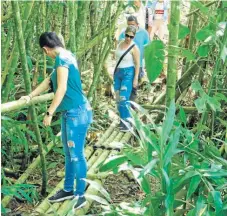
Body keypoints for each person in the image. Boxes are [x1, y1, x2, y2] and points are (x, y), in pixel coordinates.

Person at [20, 32, 92, 210]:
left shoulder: (62, 59)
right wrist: (30, 96)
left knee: (77, 156)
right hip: (71, 113)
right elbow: (48, 81)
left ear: (46, 49)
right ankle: (68, 189)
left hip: (77, 113)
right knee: (69, 155)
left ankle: (80, 194)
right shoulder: (65, 56)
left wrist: (49, 112)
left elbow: (61, 88)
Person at [114, 26, 140, 131]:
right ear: (124, 34)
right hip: (118, 73)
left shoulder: (134, 47)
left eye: (131, 37)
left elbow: (137, 64)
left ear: (134, 37)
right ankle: (122, 121)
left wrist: (135, 78)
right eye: (127, 35)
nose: (128, 38)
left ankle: (127, 123)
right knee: (118, 98)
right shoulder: (120, 43)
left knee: (124, 98)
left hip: (128, 73)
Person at [119, 15, 150, 99]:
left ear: (137, 24)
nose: (131, 26)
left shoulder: (144, 33)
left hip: (138, 64)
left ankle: (132, 107)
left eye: (132, 24)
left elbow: (148, 47)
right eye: (128, 25)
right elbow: (119, 46)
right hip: (125, 65)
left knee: (134, 86)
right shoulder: (124, 33)